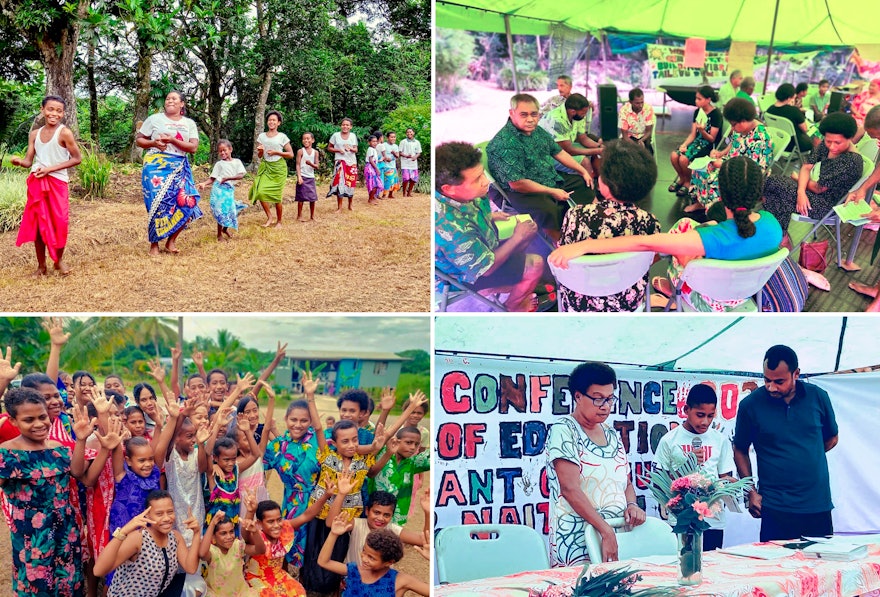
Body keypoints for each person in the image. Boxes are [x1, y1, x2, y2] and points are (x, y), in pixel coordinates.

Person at [550, 156, 783, 312]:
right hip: (745, 291)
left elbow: (643, 243)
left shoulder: (710, 238)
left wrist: (586, 245)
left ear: (720, 191)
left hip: (709, 299)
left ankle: (674, 294)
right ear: (758, 193)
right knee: (687, 225)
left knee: (683, 227)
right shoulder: (773, 226)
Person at [545, 362, 646, 566]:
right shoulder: (564, 431)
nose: (605, 406)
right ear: (578, 396)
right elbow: (570, 489)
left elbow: (625, 483)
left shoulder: (612, 434)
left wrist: (632, 505)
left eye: (610, 398)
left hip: (615, 535)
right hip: (576, 539)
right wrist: (604, 530)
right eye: (598, 398)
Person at [733, 345, 838, 542]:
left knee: (821, 569)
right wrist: (750, 491)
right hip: (775, 507)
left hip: (817, 505)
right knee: (775, 571)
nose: (772, 387)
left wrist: (807, 454)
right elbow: (740, 449)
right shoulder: (750, 405)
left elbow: (832, 438)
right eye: (767, 380)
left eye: (779, 381)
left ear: (796, 374)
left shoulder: (818, 397)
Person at [434, 141, 544, 312]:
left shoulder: (470, 193)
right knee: (535, 263)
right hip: (464, 276)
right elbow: (486, 268)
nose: (486, 182)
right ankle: (513, 306)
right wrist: (516, 238)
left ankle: (507, 282)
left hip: (483, 245)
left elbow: (467, 214)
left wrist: (490, 216)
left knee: (530, 229)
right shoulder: (452, 229)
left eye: (482, 174)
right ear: (449, 189)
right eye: (477, 179)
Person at [556, 140, 661, 311]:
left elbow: (564, 258)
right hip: (627, 302)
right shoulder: (650, 222)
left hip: (581, 301)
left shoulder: (577, 215)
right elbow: (650, 259)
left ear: (604, 184)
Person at [0, 388, 85, 596]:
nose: (39, 424)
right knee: (37, 585)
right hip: (32, 533)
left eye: (42, 417)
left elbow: (76, 471)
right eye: (29, 419)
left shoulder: (58, 447)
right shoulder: (8, 453)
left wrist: (81, 439)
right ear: (13, 421)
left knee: (68, 580)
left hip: (65, 527)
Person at [487, 93, 594, 242]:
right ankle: (561, 243)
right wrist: (552, 191)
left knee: (583, 184)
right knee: (548, 210)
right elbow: (518, 183)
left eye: (534, 114)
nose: (530, 119)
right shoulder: (504, 143)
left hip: (546, 176)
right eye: (524, 115)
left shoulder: (537, 131)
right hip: (523, 190)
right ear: (512, 114)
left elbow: (559, 152)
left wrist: (583, 171)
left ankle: (586, 224)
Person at [654, 383, 735, 551]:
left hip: (712, 520)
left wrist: (728, 485)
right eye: (700, 415)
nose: (705, 421)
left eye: (710, 416)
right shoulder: (669, 440)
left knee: (711, 568)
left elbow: (725, 477)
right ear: (686, 410)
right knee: (684, 568)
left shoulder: (720, 440)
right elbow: (658, 484)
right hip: (681, 519)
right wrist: (685, 469)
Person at [11, 95, 82, 276]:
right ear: (42, 110)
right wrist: (19, 162)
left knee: (60, 222)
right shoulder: (34, 134)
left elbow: (77, 158)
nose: (54, 114)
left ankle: (58, 261)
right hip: (37, 182)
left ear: (63, 113)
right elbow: (28, 161)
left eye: (59, 111)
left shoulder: (64, 133)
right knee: (37, 226)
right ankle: (41, 266)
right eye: (50, 109)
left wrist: (50, 169)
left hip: (57, 183)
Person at [762, 112, 864, 235]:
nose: (831, 146)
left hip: (827, 206)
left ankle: (776, 235)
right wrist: (800, 192)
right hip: (811, 194)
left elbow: (818, 188)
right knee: (774, 188)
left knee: (774, 185)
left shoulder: (851, 161)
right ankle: (777, 235)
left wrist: (798, 179)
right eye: (828, 141)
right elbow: (806, 167)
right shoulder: (826, 145)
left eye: (837, 142)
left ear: (850, 138)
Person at [94, 490, 203, 597]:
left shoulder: (175, 537)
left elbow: (191, 568)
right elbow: (98, 570)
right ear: (147, 515)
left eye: (170, 512)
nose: (166, 518)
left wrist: (197, 533)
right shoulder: (139, 538)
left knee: (197, 584)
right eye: (159, 514)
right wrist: (123, 531)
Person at [136, 90, 202, 256]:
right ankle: (154, 244)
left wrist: (172, 140)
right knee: (157, 204)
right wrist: (154, 142)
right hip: (155, 166)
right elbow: (139, 139)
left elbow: (193, 147)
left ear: (182, 104)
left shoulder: (189, 123)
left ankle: (171, 241)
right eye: (167, 98)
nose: (169, 101)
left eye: (174, 98)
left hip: (179, 165)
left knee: (188, 201)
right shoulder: (154, 119)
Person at [262, 399, 322, 568]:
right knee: (286, 543)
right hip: (290, 503)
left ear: (310, 421)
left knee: (313, 547)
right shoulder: (278, 445)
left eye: (304, 420)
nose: (298, 425)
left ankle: (306, 583)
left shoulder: (318, 443)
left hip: (317, 503)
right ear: (286, 419)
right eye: (293, 420)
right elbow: (257, 463)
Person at [687, 98, 773, 212]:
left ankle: (716, 211)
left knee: (714, 179)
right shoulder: (742, 129)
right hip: (731, 162)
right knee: (699, 168)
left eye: (733, 125)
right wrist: (720, 153)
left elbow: (753, 170)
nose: (732, 128)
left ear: (743, 121)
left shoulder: (761, 138)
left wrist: (724, 165)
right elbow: (734, 144)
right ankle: (702, 203)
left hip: (745, 174)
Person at [318, 521, 430, 597]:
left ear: (389, 562)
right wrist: (333, 534)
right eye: (364, 552)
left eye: (371, 557)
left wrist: (431, 559)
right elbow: (324, 562)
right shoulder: (355, 571)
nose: (364, 559)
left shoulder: (401, 581)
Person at [539, 92, 603, 189]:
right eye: (583, 113)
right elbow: (568, 150)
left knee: (596, 153)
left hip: (563, 148)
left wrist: (599, 147)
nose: (585, 115)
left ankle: (600, 184)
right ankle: (589, 191)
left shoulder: (577, 116)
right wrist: (597, 150)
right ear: (573, 111)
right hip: (547, 154)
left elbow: (583, 138)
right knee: (585, 161)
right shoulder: (557, 120)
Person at [367, 427, 430, 526]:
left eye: (416, 444)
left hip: (397, 519)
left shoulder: (413, 463)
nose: (413, 447)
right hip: (374, 515)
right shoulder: (381, 453)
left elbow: (437, 455)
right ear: (396, 441)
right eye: (409, 442)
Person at [668, 86, 723, 198]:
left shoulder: (716, 114)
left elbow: (712, 139)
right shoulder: (697, 112)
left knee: (683, 159)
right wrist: (684, 144)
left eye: (699, 99)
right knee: (674, 155)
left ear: (708, 99)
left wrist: (702, 130)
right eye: (696, 98)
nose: (696, 101)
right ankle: (682, 178)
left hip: (708, 145)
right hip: (697, 142)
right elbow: (693, 134)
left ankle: (688, 182)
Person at [200, 511, 264, 597]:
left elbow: (260, 550)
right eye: (223, 533)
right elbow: (202, 554)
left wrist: (255, 532)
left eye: (231, 531)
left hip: (240, 593)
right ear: (213, 537)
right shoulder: (212, 552)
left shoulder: (237, 546)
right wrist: (212, 523)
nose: (229, 536)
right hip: (217, 594)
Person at [249, 110, 293, 227]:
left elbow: (290, 154)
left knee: (277, 196)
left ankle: (279, 221)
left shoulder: (282, 137)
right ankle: (269, 217)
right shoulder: (261, 136)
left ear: (278, 123)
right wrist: (262, 151)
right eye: (269, 120)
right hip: (266, 167)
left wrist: (277, 152)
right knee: (260, 192)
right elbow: (259, 156)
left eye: (274, 120)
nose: (271, 122)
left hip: (279, 168)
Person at [198, 139, 247, 241]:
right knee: (221, 211)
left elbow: (241, 175)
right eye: (220, 151)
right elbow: (213, 178)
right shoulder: (219, 164)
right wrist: (204, 183)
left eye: (224, 150)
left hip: (229, 190)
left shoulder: (237, 162)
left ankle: (225, 229)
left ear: (230, 149)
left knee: (231, 210)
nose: (222, 153)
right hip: (219, 189)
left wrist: (228, 178)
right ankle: (219, 234)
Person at [765, 83, 812, 152]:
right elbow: (805, 129)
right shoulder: (794, 111)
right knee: (815, 136)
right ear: (790, 97)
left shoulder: (769, 110)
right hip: (794, 145)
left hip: (777, 142)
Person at [326, 117, 358, 211]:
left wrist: (351, 149)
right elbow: (329, 148)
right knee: (339, 182)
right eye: (343, 124)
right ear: (341, 126)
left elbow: (356, 149)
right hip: (340, 162)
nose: (345, 126)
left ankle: (350, 205)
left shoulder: (353, 136)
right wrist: (338, 150)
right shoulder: (335, 135)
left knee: (350, 183)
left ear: (351, 127)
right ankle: (339, 207)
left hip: (351, 163)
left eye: (347, 125)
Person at [618, 88, 656, 154]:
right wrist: (637, 145)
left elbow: (648, 132)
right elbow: (625, 136)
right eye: (637, 103)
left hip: (644, 137)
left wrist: (641, 141)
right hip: (629, 137)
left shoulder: (648, 109)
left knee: (648, 154)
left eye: (642, 102)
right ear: (630, 102)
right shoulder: (623, 111)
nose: (641, 105)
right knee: (626, 155)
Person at [295, 132, 320, 221]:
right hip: (302, 176)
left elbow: (317, 166)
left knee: (312, 198)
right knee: (301, 197)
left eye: (308, 138)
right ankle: (299, 216)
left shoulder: (315, 152)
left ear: (312, 140)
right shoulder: (300, 151)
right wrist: (299, 177)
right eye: (304, 139)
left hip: (311, 177)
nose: (306, 140)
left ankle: (312, 216)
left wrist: (311, 164)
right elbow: (297, 165)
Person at [399, 127, 422, 197]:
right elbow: (399, 152)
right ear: (406, 134)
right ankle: (404, 193)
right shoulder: (403, 142)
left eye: (410, 132)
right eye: (408, 132)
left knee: (413, 179)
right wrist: (406, 156)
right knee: (406, 178)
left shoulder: (417, 142)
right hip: (405, 163)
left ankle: (409, 192)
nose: (409, 133)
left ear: (413, 133)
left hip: (413, 164)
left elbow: (419, 152)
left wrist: (415, 157)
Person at [380, 130, 400, 198]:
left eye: (394, 137)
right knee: (388, 180)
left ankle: (390, 194)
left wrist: (394, 153)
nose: (393, 138)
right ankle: (384, 194)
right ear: (387, 138)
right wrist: (386, 158)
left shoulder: (396, 146)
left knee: (393, 180)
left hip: (393, 166)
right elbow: (381, 155)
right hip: (386, 166)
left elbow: (397, 156)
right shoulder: (384, 145)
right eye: (391, 137)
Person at [364, 135, 384, 205]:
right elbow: (371, 160)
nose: (375, 143)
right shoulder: (370, 149)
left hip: (373, 166)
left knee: (375, 183)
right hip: (371, 168)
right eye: (373, 141)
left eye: (376, 141)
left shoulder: (374, 149)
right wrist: (377, 169)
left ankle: (372, 197)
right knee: (373, 184)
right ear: (369, 142)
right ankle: (370, 199)